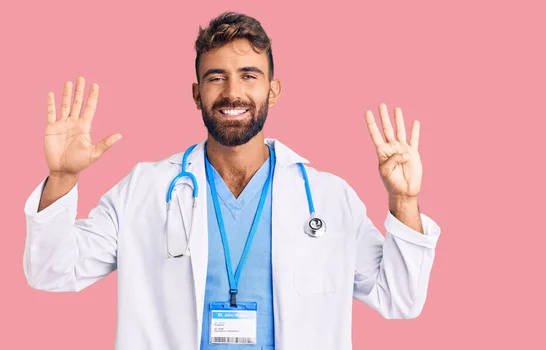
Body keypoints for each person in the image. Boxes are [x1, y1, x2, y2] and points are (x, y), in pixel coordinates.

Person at [23, 11, 441, 350]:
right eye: (216, 77)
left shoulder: (329, 199)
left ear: (273, 91)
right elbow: (51, 271)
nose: (232, 92)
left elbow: (399, 299)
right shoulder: (144, 190)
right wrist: (62, 178)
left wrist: (404, 201)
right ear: (196, 93)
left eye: (249, 75)